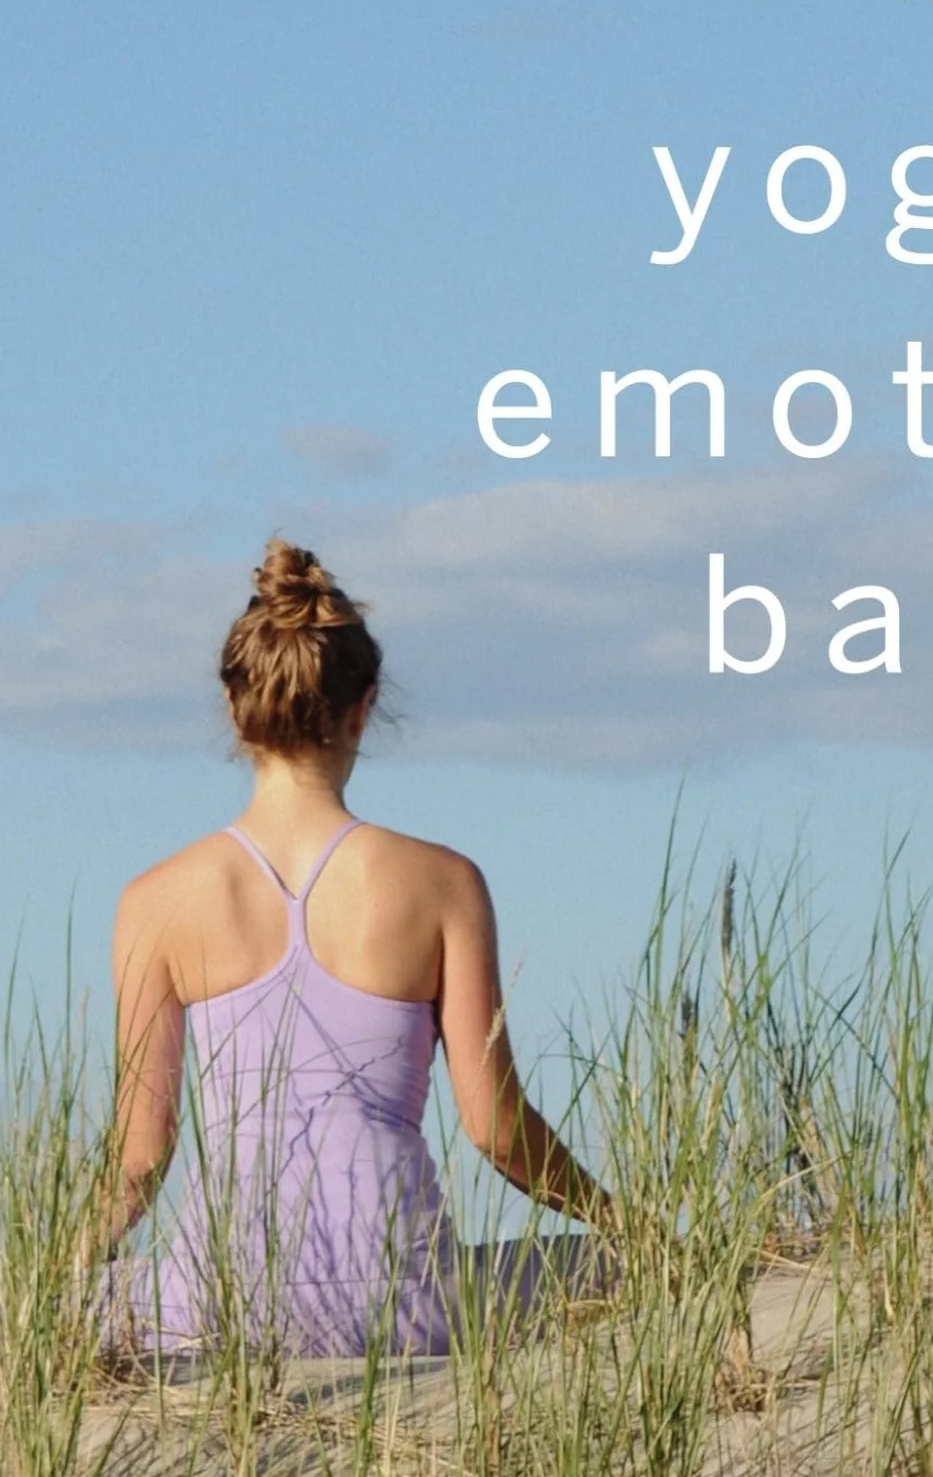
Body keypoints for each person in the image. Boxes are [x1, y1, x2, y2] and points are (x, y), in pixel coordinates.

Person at [105, 538, 612, 1356]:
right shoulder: (442, 883)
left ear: (234, 710)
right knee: (595, 1266)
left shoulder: (155, 900)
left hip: (219, 1305)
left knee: (97, 1304)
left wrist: (42, 1275)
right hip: (399, 1302)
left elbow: (139, 1160)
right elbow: (496, 1131)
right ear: (363, 707)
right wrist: (625, 1222)